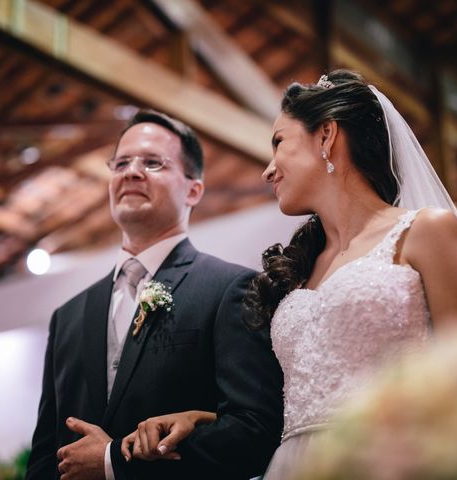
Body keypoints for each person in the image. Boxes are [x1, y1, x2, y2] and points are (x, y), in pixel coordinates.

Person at [117, 70, 457, 478]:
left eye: (278, 143)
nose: (268, 170)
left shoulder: (426, 231)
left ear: (326, 135)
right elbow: (298, 404)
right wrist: (201, 418)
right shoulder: (297, 270)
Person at [25, 109, 284, 479]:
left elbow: (254, 433)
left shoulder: (231, 288)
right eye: (121, 163)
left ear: (194, 189)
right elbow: (44, 454)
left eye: (153, 163)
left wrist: (114, 462)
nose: (131, 171)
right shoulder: (67, 316)